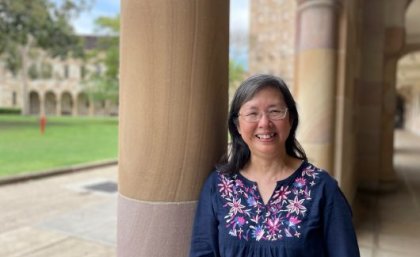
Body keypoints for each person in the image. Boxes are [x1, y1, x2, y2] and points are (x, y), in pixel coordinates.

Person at [189, 74, 360, 257]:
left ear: (291, 119)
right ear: (237, 125)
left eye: (275, 111)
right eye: (252, 113)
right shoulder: (218, 186)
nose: (264, 123)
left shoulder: (322, 188)